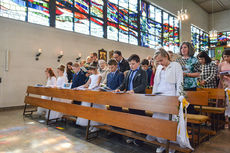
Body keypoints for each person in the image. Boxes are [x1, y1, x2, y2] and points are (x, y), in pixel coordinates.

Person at [146, 48, 183, 153]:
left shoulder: (176, 66)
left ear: (166, 56)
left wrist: (178, 98)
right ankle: (161, 143)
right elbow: (156, 83)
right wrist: (153, 97)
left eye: (161, 60)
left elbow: (180, 83)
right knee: (158, 122)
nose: (160, 63)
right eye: (158, 62)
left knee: (169, 123)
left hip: (171, 96)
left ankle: (171, 145)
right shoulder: (159, 68)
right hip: (159, 97)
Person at [76, 63, 105, 132]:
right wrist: (79, 87)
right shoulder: (91, 76)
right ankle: (91, 124)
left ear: (95, 69)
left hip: (95, 93)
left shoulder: (99, 75)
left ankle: (96, 126)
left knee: (95, 110)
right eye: (90, 70)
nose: (91, 72)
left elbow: (97, 84)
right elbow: (86, 84)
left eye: (92, 70)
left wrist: (90, 88)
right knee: (89, 110)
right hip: (90, 92)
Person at [176, 42, 200, 114]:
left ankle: (189, 124)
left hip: (191, 86)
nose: (183, 49)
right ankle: (181, 123)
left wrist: (186, 74)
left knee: (189, 106)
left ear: (189, 49)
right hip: (180, 86)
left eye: (185, 47)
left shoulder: (194, 60)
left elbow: (198, 73)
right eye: (181, 48)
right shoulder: (178, 60)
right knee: (180, 106)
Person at [218, 49, 230, 128]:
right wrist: (222, 82)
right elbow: (219, 74)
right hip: (224, 84)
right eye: (224, 56)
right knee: (225, 102)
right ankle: (226, 119)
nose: (226, 58)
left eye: (228, 56)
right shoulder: (221, 64)